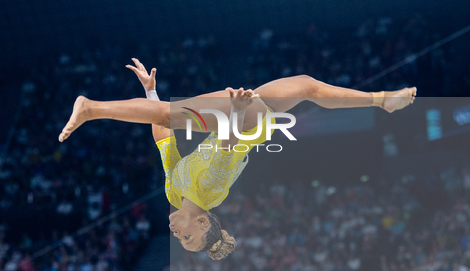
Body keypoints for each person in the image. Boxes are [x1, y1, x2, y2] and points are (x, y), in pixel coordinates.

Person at [59, 59, 417, 259]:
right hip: (239, 125)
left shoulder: (172, 192)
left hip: (248, 123)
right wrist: (235, 112)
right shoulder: (210, 194)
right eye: (187, 238)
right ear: (202, 224)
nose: (177, 234)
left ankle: (381, 99)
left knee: (308, 86)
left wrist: (150, 92)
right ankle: (91, 108)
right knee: (169, 113)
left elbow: (164, 141)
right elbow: (228, 145)